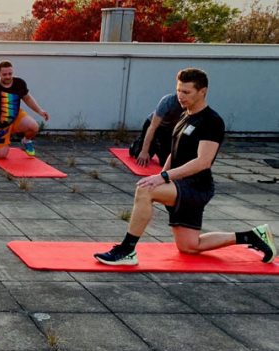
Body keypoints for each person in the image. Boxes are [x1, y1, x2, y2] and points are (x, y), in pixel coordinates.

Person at [95, 68, 275, 266]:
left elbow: (203, 161)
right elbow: (175, 152)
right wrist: (163, 174)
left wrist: (163, 179)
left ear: (202, 91)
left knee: (144, 191)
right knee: (190, 246)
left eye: (186, 92)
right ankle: (252, 236)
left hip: (196, 186)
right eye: (179, 90)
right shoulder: (184, 115)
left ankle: (127, 250)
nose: (180, 96)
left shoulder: (211, 121)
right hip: (181, 184)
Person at [0, 60, 49, 158]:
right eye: (4, 74)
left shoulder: (19, 83)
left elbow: (27, 98)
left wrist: (40, 110)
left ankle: (26, 141)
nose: (8, 77)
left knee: (34, 127)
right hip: (0, 125)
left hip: (16, 116)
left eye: (10, 73)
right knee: (1, 155)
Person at [128, 92, 184, 167]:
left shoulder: (193, 105)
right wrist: (144, 151)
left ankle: (156, 146)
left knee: (165, 163)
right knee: (140, 156)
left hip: (169, 129)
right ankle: (137, 144)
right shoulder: (167, 101)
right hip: (153, 124)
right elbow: (152, 127)